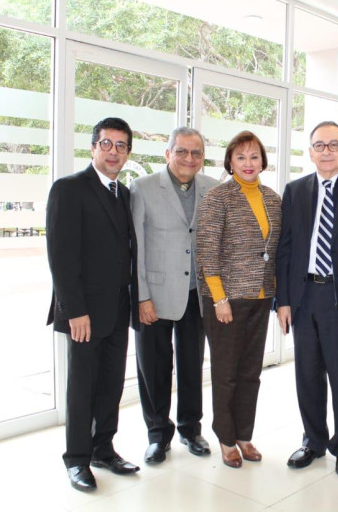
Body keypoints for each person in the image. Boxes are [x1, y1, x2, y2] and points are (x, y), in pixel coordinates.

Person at [46, 117, 140, 492]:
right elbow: (61, 257)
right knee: (82, 386)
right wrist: (74, 311)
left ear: (128, 153)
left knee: (111, 384)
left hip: (118, 309)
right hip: (84, 312)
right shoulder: (69, 189)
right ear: (93, 147)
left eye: (121, 145)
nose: (113, 151)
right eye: (106, 143)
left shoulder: (125, 194)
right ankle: (77, 459)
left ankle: (104, 448)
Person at [276, 121, 338, 477]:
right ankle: (313, 441)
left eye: (333, 145)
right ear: (309, 152)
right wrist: (283, 300)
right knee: (307, 373)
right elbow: (286, 248)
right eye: (319, 145)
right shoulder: (295, 190)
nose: (326, 151)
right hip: (304, 295)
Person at [129, 127, 218, 464]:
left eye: (196, 153)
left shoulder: (212, 188)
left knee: (193, 365)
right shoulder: (144, 188)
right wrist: (142, 296)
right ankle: (157, 435)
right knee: (153, 368)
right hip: (154, 295)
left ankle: (191, 429)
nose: (189, 159)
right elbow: (134, 248)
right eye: (182, 151)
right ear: (168, 154)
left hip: (197, 296)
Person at [196, 130, 282, 469]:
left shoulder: (273, 198)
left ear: (263, 161)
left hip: (261, 297)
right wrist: (219, 299)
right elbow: (207, 252)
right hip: (225, 300)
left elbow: (275, 250)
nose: (249, 163)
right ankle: (226, 438)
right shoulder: (218, 198)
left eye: (255, 157)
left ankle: (245, 434)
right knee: (226, 372)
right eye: (241, 157)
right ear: (230, 161)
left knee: (251, 372)